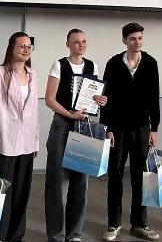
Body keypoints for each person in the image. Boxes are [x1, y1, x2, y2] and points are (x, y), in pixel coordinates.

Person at [44, 29, 108, 242]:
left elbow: (94, 97)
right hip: (62, 125)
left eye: (84, 41)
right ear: (68, 44)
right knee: (58, 183)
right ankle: (57, 235)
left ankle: (75, 234)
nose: (81, 45)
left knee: (81, 183)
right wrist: (70, 114)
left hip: (84, 126)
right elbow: (50, 99)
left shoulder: (92, 66)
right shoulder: (59, 65)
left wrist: (101, 100)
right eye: (76, 42)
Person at [99, 23, 161, 241]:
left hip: (142, 128)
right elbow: (105, 97)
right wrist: (107, 127)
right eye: (133, 38)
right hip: (117, 128)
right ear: (124, 40)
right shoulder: (114, 63)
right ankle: (113, 224)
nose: (137, 42)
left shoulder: (151, 63)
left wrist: (154, 128)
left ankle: (139, 224)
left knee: (142, 177)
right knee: (115, 175)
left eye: (140, 38)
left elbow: (154, 97)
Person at [0, 32, 39, 241]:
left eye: (29, 46)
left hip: (26, 144)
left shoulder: (32, 74)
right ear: (11, 48)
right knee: (0, 196)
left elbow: (34, 111)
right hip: (4, 143)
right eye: (21, 45)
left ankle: (15, 237)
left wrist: (35, 141)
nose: (26, 49)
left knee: (21, 195)